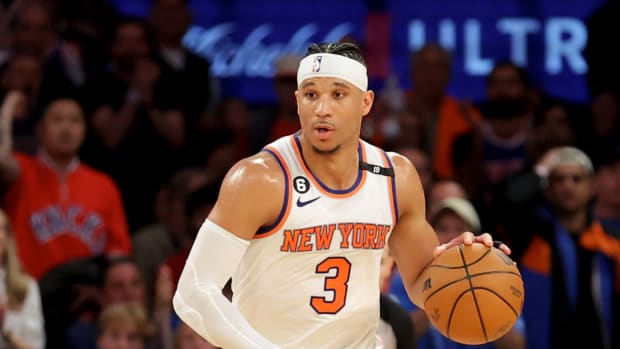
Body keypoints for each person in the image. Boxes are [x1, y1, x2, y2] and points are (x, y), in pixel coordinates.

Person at [172, 41, 509, 348]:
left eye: (338, 94)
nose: (322, 108)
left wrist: (459, 266)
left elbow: (424, 284)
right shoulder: (260, 178)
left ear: (365, 102)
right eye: (311, 94)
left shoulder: (396, 177)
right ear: (297, 101)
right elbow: (193, 292)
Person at [0, 208, 45, 349]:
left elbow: (36, 346)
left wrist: (6, 332)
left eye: (0, 228)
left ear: (8, 237)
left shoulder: (25, 286)